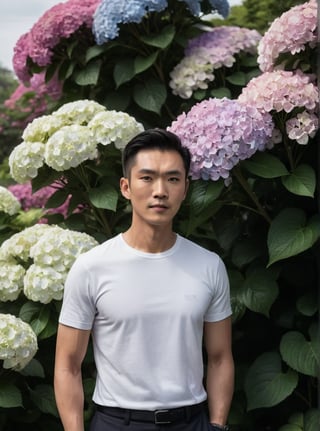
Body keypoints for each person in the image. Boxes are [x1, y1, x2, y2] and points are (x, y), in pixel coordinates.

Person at [54, 128, 234, 431]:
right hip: (116, 422)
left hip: (192, 422)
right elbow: (67, 365)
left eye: (173, 179)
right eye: (147, 178)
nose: (160, 190)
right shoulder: (91, 267)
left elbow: (220, 357)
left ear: (186, 188)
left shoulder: (209, 266)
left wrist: (216, 426)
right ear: (126, 186)